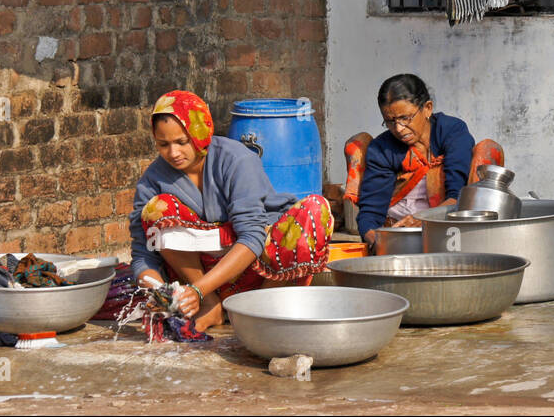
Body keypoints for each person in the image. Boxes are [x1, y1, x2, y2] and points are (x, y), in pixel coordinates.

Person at [128, 90, 334, 335]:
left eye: (182, 142)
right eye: (163, 144)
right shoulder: (153, 179)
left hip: (256, 268)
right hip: (201, 277)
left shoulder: (236, 160)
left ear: (200, 133)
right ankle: (212, 305)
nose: (173, 153)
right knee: (155, 210)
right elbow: (144, 253)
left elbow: (251, 237)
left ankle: (262, 309)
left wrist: (198, 290)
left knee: (315, 210)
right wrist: (162, 293)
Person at [344, 74, 503, 250]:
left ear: (427, 108)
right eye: (390, 121)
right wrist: (376, 241)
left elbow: (457, 197)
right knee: (358, 144)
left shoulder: (452, 131)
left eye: (406, 118)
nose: (398, 128)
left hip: (448, 226)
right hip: (400, 234)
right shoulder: (382, 149)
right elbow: (371, 213)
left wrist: (424, 219)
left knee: (488, 149)